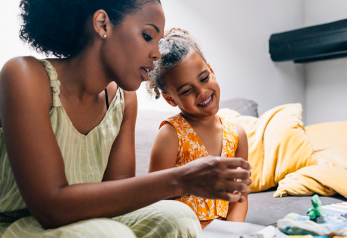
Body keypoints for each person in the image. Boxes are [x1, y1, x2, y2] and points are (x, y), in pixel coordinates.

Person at [0, 0, 252, 237]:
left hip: (88, 221)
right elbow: (49, 207)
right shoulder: (25, 76)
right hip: (16, 225)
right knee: (113, 234)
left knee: (179, 216)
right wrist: (181, 179)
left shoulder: (123, 98)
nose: (157, 54)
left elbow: (119, 196)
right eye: (147, 36)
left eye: (158, 41)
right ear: (102, 24)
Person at [147, 28, 249, 228]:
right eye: (186, 90)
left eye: (204, 78)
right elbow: (154, 197)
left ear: (211, 70)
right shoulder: (170, 134)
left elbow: (240, 196)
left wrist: (231, 232)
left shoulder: (237, 135)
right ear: (170, 99)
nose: (202, 92)